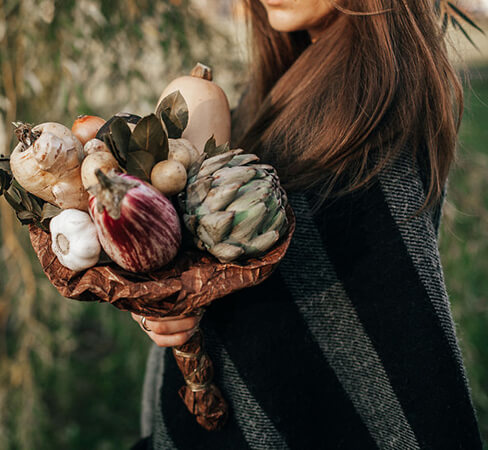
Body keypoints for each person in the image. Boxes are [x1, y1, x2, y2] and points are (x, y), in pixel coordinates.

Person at [131, 0, 484, 448]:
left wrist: (195, 289)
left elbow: (362, 320)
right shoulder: (282, 83)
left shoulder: (376, 117)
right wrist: (162, 293)